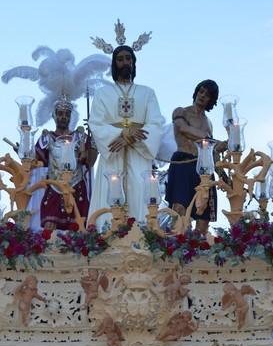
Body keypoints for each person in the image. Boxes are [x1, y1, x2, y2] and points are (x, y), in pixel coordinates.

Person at [87, 45, 163, 230]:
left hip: (139, 153)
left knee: (139, 190)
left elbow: (155, 124)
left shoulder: (147, 93)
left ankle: (141, 237)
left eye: (128, 58)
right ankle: (107, 237)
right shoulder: (102, 93)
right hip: (113, 152)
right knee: (110, 192)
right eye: (120, 59)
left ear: (133, 62)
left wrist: (129, 138)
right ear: (114, 64)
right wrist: (122, 133)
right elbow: (96, 123)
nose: (125, 62)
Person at [165, 80, 226, 235]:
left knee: (204, 216)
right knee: (179, 208)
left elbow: (211, 152)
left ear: (211, 100)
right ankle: (176, 243)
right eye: (201, 91)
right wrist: (212, 140)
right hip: (183, 163)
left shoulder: (209, 123)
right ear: (196, 92)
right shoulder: (181, 111)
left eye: (207, 95)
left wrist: (223, 175)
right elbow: (183, 129)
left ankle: (199, 247)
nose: (202, 96)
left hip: (204, 168)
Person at [35, 97, 97, 231]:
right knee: (49, 231)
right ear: (54, 115)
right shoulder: (46, 138)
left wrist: (93, 135)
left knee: (79, 229)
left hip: (77, 187)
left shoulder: (80, 137)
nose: (63, 117)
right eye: (60, 113)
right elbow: (37, 162)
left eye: (67, 114)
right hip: (54, 188)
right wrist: (24, 154)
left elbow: (90, 161)